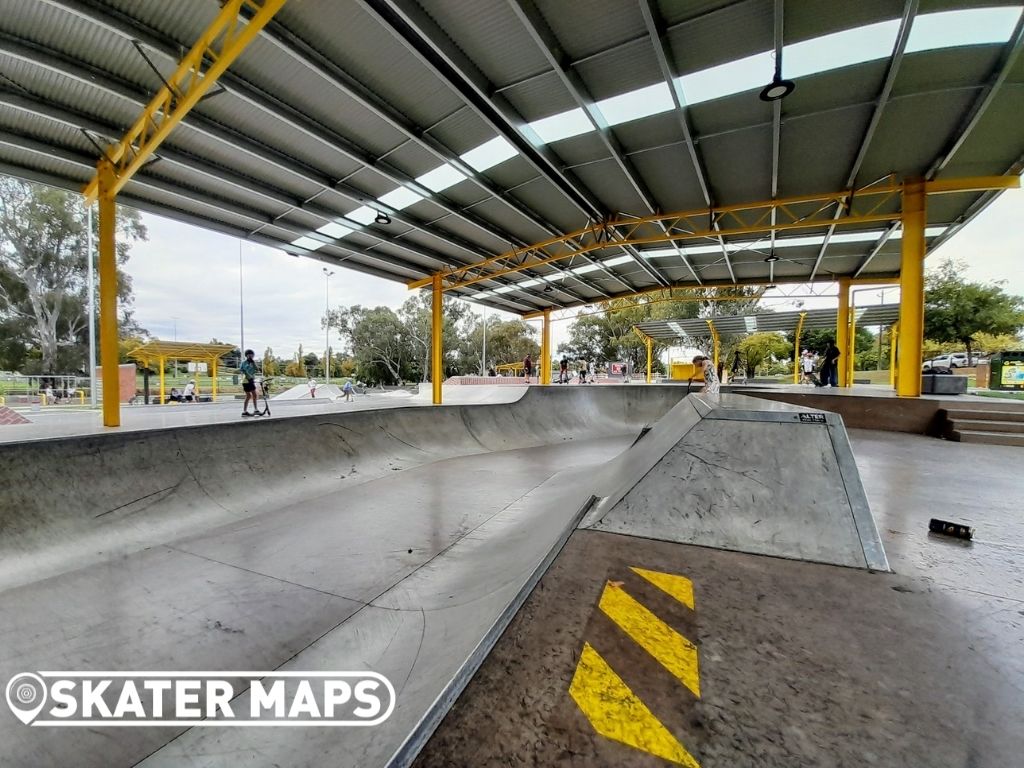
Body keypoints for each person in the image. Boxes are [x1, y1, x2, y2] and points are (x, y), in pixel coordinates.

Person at [240, 349, 259, 416]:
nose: (251, 356)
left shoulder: (252, 362)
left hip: (249, 380)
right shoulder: (244, 363)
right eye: (250, 355)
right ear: (247, 355)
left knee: (249, 396)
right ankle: (256, 409)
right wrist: (249, 376)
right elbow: (242, 371)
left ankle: (244, 411)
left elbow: (257, 369)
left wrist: (253, 362)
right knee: (254, 395)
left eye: (252, 355)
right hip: (247, 380)